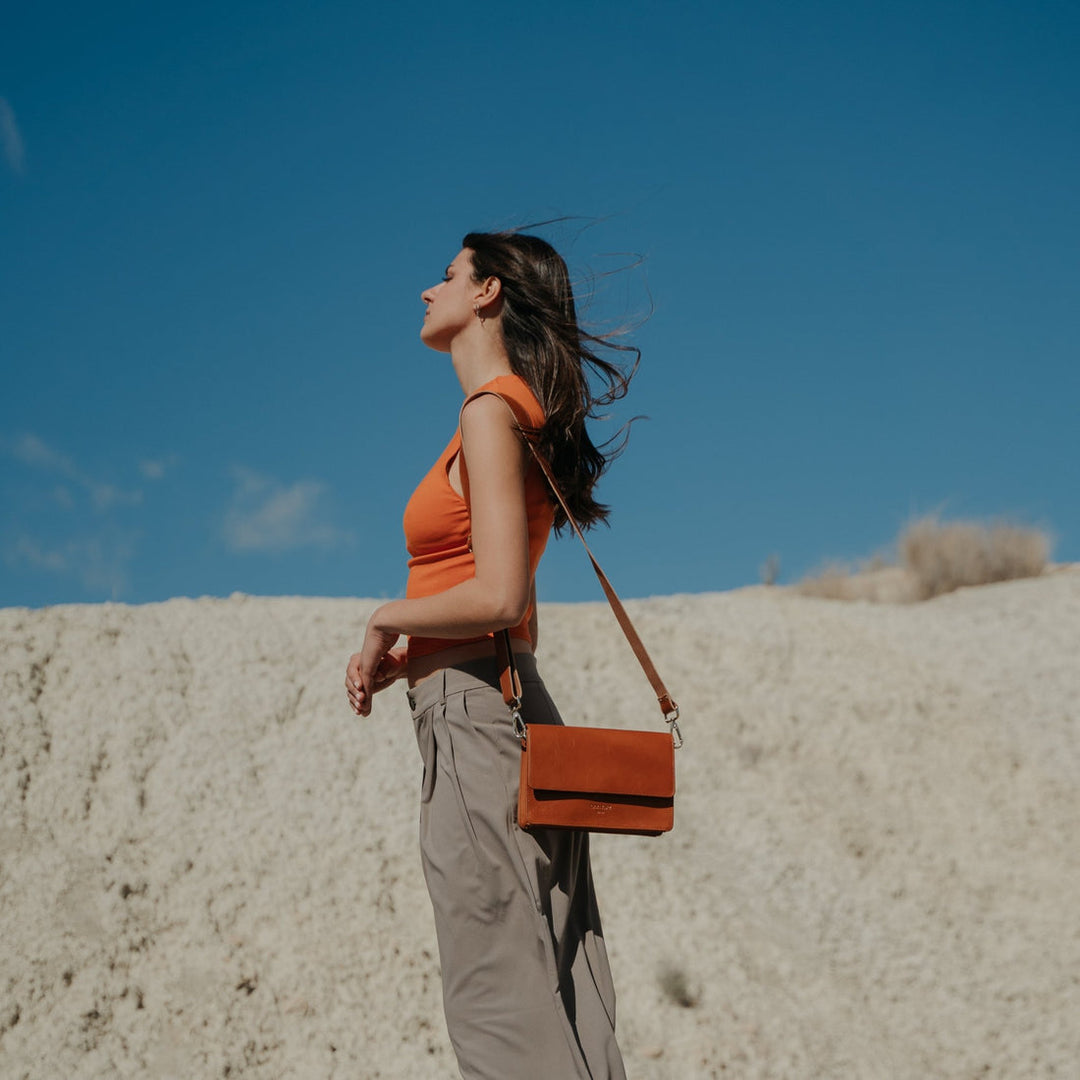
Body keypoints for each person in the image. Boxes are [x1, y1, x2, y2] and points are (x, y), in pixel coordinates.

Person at [345, 229, 636, 1080]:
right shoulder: (516, 412)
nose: (425, 291)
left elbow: (503, 596)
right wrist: (423, 649)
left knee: (497, 988)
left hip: (477, 723)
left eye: (445, 276)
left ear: (488, 294)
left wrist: (384, 620)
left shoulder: (487, 413)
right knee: (560, 977)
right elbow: (513, 612)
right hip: (502, 701)